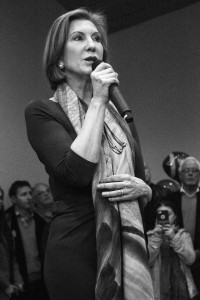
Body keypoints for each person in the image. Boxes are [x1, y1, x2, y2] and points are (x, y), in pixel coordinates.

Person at [25, 8, 154, 300]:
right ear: (58, 57)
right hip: (74, 253)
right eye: (78, 38)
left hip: (127, 249)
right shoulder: (42, 111)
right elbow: (76, 172)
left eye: (96, 38)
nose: (92, 45)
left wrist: (144, 189)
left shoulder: (119, 118)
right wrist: (97, 100)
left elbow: (142, 184)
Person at [148, 198, 199, 300]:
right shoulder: (150, 236)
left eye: (168, 214)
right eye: (160, 214)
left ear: (175, 216)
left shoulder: (183, 235)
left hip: (182, 288)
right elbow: (147, 261)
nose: (163, 216)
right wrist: (156, 237)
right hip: (156, 289)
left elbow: (190, 260)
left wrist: (173, 237)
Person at [6, 181, 49, 300]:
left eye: (30, 193)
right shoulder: (7, 221)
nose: (29, 197)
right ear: (13, 199)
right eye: (24, 194)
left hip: (41, 278)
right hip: (20, 281)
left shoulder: (40, 220)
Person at [166, 156, 200, 294]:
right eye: (187, 171)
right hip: (178, 259)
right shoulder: (169, 199)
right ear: (180, 175)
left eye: (194, 170)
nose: (191, 173)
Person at [0, 186, 24, 300]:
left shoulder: (4, 226)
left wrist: (18, 280)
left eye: (0, 198)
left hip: (9, 286)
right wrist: (6, 284)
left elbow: (12, 258)